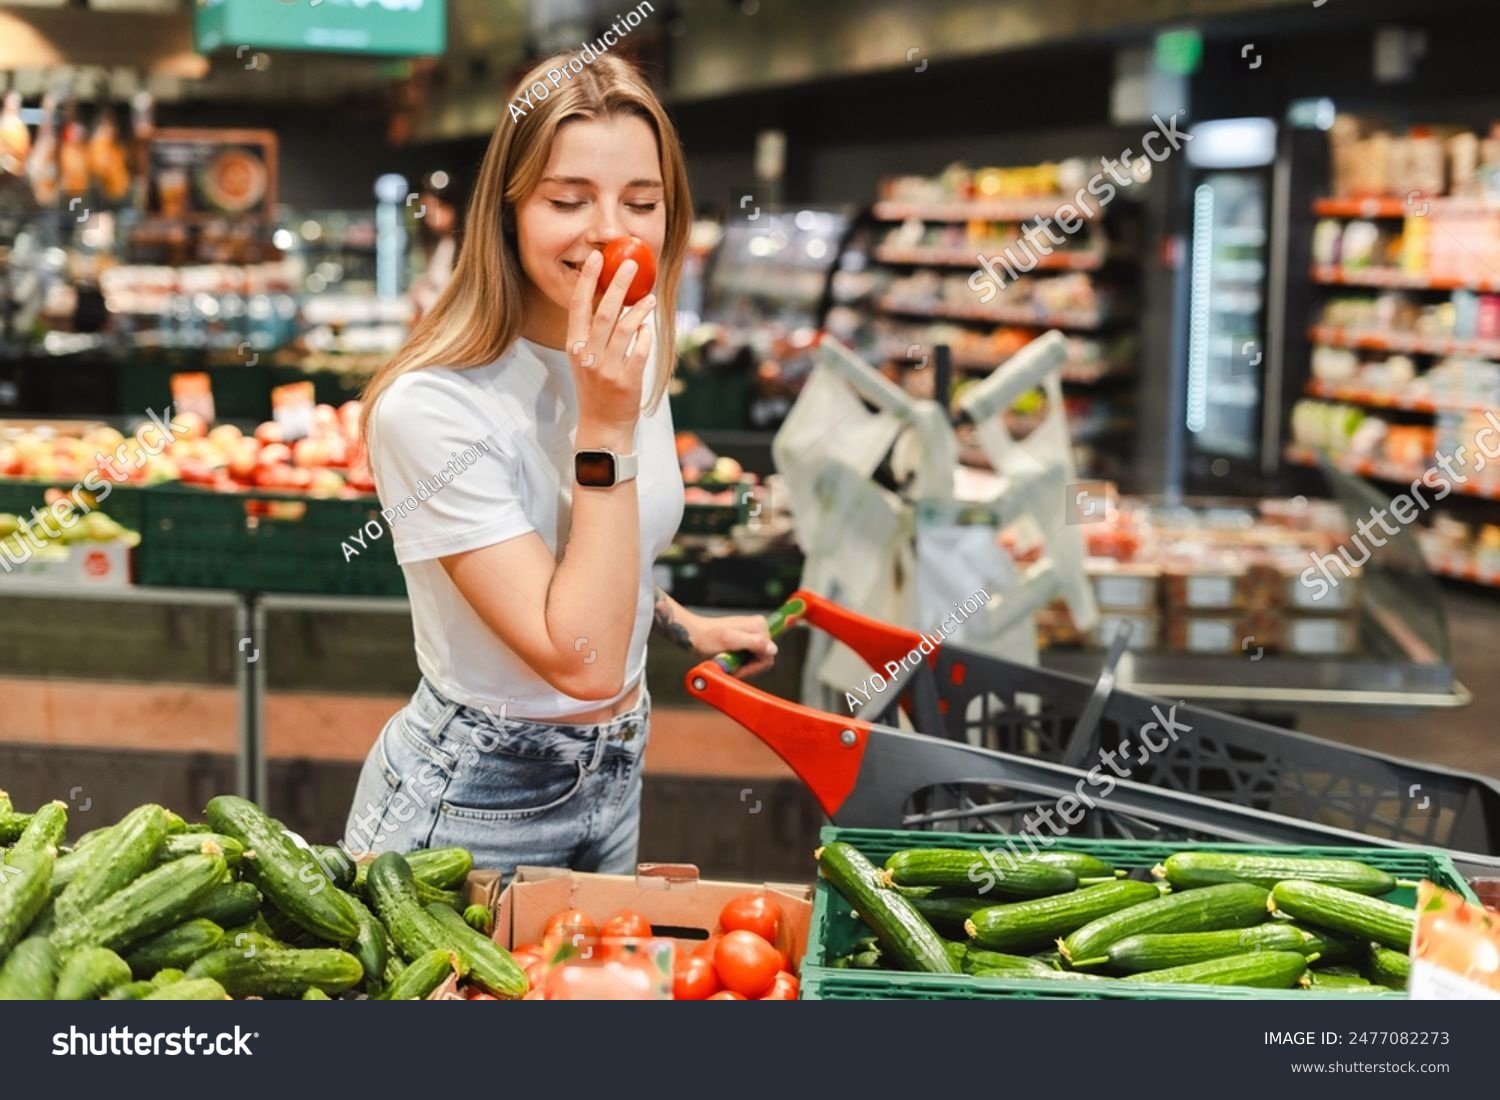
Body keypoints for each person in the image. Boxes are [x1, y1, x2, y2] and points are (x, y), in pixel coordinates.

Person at [344, 54, 777, 877]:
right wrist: (604, 427)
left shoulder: (630, 354)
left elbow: (584, 564)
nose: (612, 231)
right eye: (568, 200)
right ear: (507, 211)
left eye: (641, 203)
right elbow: (579, 658)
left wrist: (681, 623)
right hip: (473, 797)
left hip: (617, 770)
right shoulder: (432, 409)